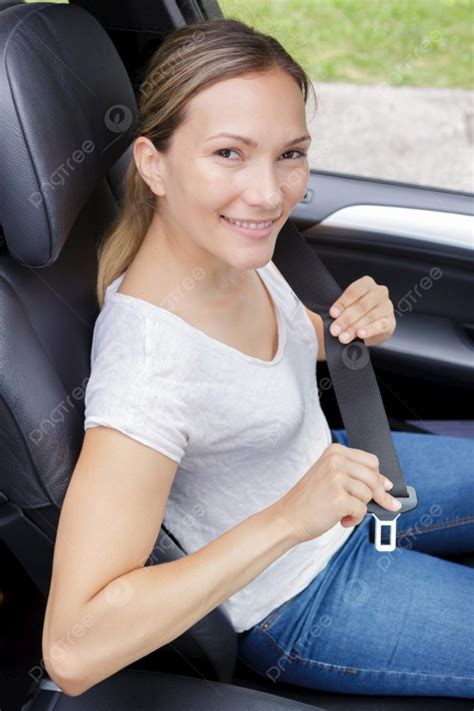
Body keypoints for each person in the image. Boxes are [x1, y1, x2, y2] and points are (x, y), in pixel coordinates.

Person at [43, 17, 474, 698]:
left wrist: (355, 328)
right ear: (153, 163)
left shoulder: (232, 251)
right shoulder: (148, 364)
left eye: (290, 153)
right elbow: (71, 647)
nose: (270, 195)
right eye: (229, 154)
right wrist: (287, 516)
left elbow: (264, 363)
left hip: (344, 475)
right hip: (303, 593)